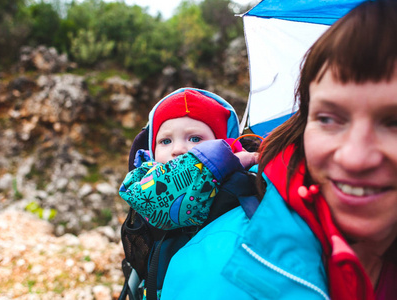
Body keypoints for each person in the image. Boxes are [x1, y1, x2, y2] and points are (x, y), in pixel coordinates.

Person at [161, 1, 397, 299]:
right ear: (302, 122)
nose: (354, 157)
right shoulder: (221, 273)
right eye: (327, 118)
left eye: (393, 123)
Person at [119, 87, 258, 230]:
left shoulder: (245, 175)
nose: (178, 149)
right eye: (166, 141)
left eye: (195, 138)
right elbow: (157, 200)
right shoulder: (144, 179)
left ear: (224, 143)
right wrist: (224, 161)